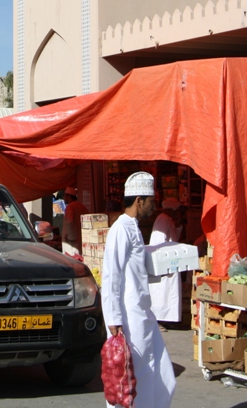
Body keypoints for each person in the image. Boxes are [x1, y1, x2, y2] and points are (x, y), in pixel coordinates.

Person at [102, 172, 175, 408]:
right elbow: (111, 275)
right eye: (152, 202)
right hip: (128, 318)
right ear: (139, 201)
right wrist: (113, 319)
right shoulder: (120, 229)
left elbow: (134, 272)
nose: (154, 207)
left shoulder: (134, 227)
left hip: (144, 315)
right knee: (129, 379)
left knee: (162, 376)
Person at [149, 197, 182, 331]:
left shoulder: (168, 220)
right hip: (164, 262)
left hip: (171, 261)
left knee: (170, 292)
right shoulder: (162, 219)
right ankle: (157, 320)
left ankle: (168, 318)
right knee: (161, 293)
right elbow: (159, 242)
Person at [61, 186, 90, 257]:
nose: (64, 198)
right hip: (81, 240)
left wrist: (70, 237)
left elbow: (70, 222)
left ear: (69, 197)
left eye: (65, 196)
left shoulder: (70, 207)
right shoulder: (82, 206)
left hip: (71, 242)